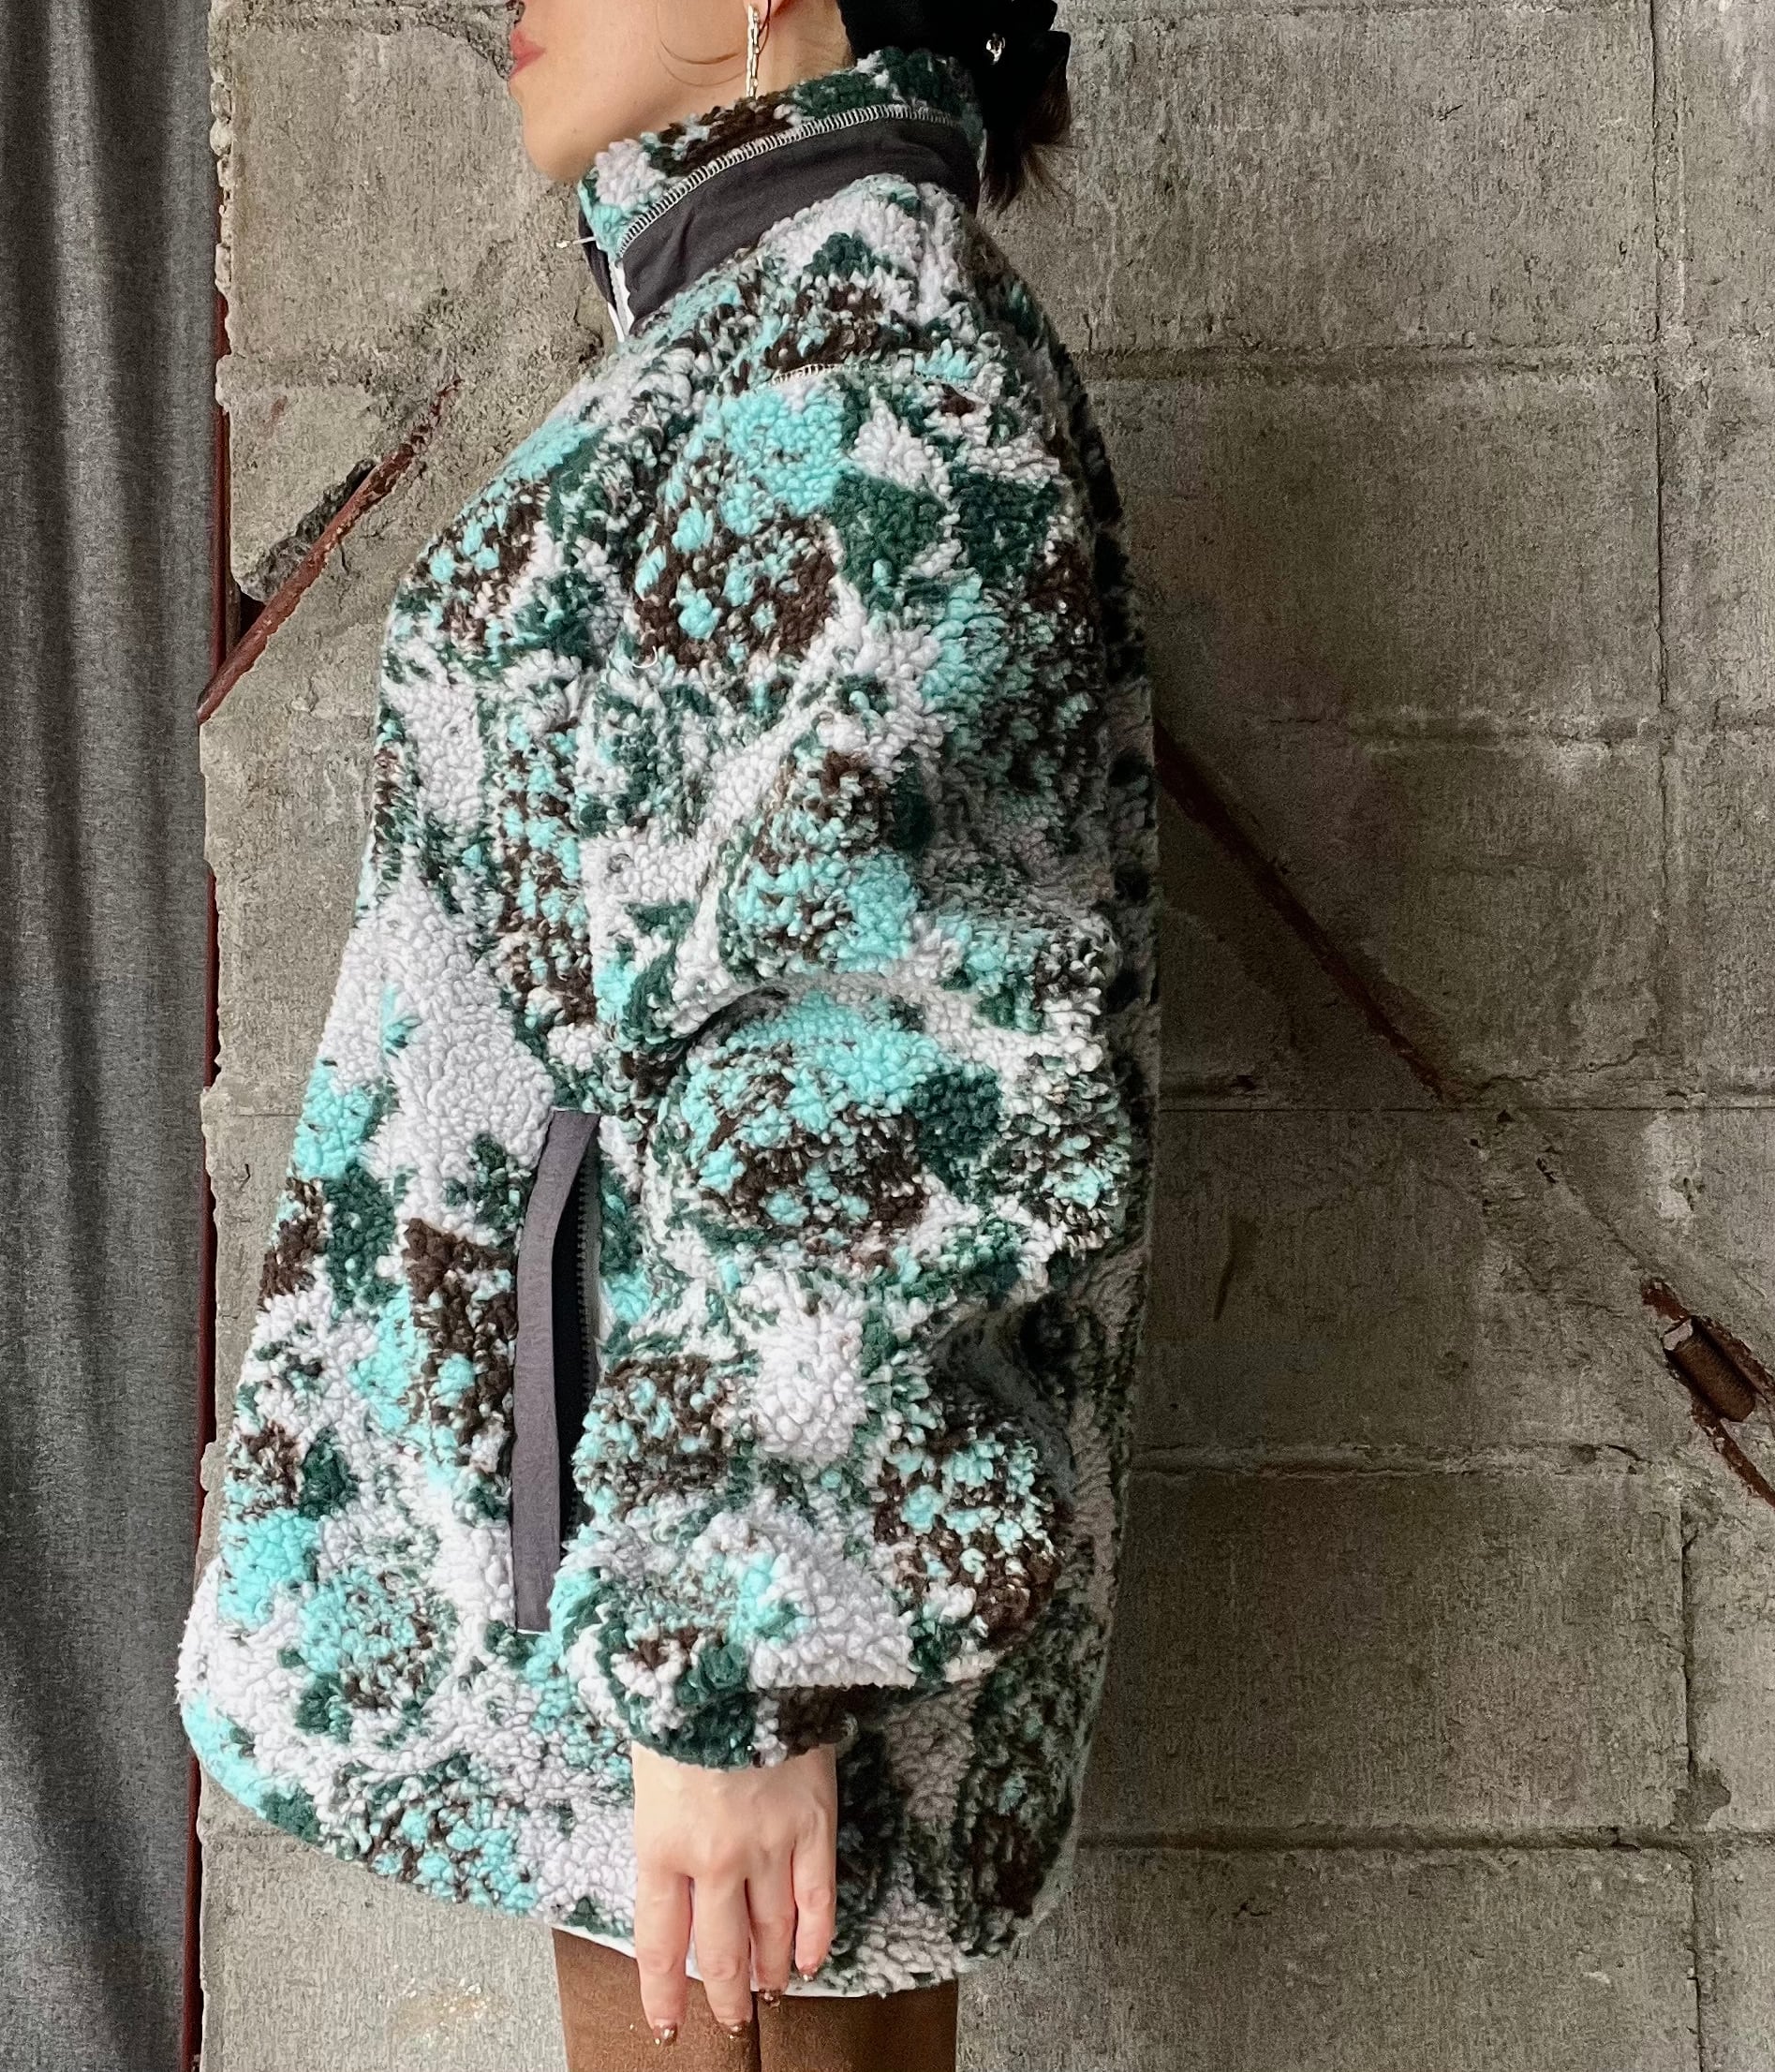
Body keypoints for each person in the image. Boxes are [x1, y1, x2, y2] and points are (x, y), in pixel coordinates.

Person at [174, 0, 1160, 2065]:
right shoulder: (761, 321)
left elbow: (877, 1044)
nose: (519, 6)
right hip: (648, 1570)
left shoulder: (856, 359)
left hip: (720, 1617)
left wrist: (739, 1651)